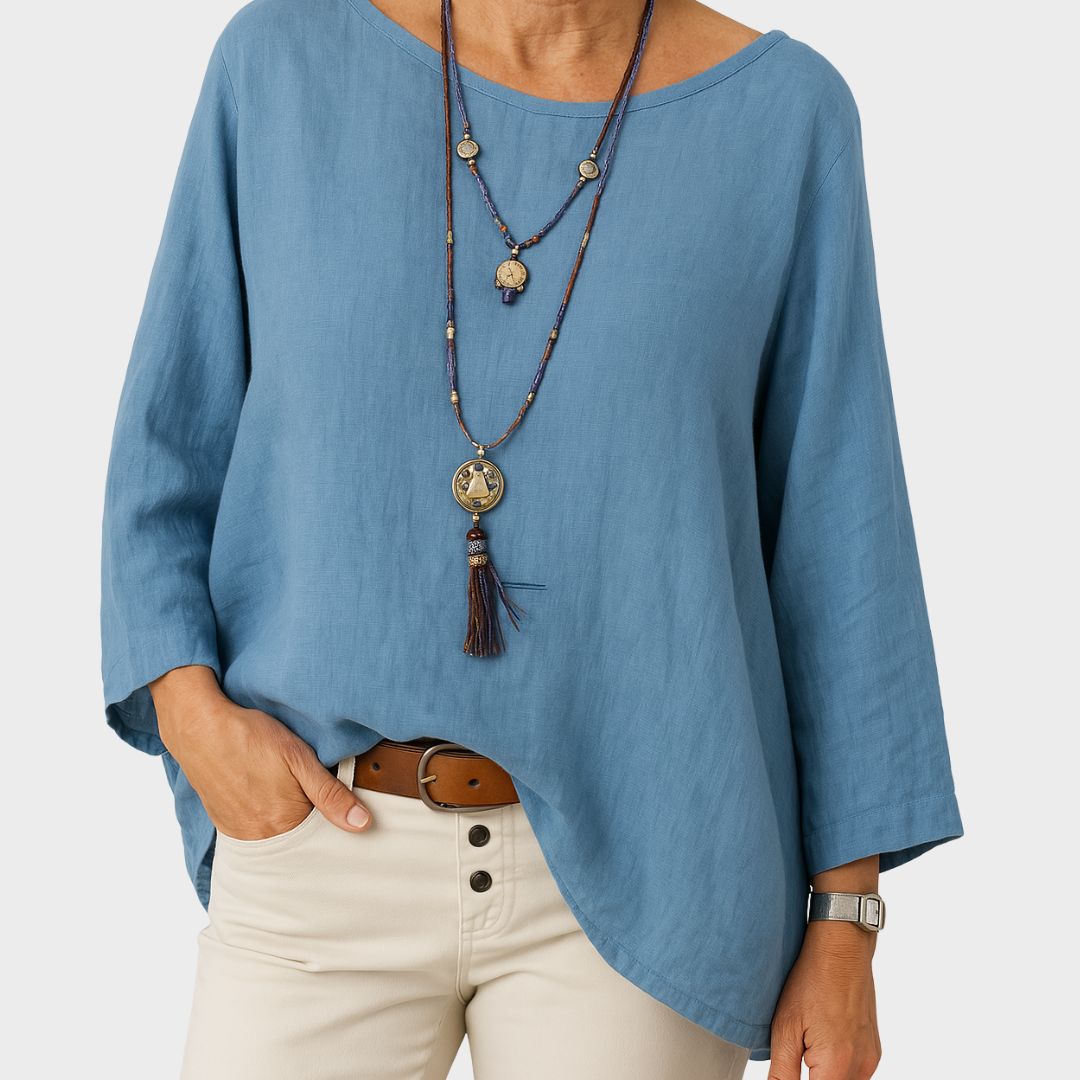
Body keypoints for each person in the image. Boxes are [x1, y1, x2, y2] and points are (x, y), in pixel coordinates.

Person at [99, 0, 965, 1077]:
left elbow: (840, 532)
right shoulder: (278, 67)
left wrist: (845, 923)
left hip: (655, 871)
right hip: (320, 838)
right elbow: (166, 448)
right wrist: (191, 715)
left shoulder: (786, 118)